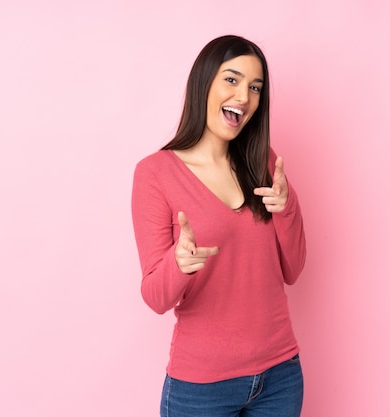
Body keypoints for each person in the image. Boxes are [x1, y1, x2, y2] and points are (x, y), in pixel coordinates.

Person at [131, 34, 307, 417]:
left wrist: (287, 208)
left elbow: (292, 269)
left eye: (255, 87)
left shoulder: (263, 163)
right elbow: (155, 297)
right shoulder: (155, 174)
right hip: (202, 389)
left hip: (280, 376)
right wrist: (178, 265)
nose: (244, 96)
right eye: (232, 79)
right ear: (204, 82)